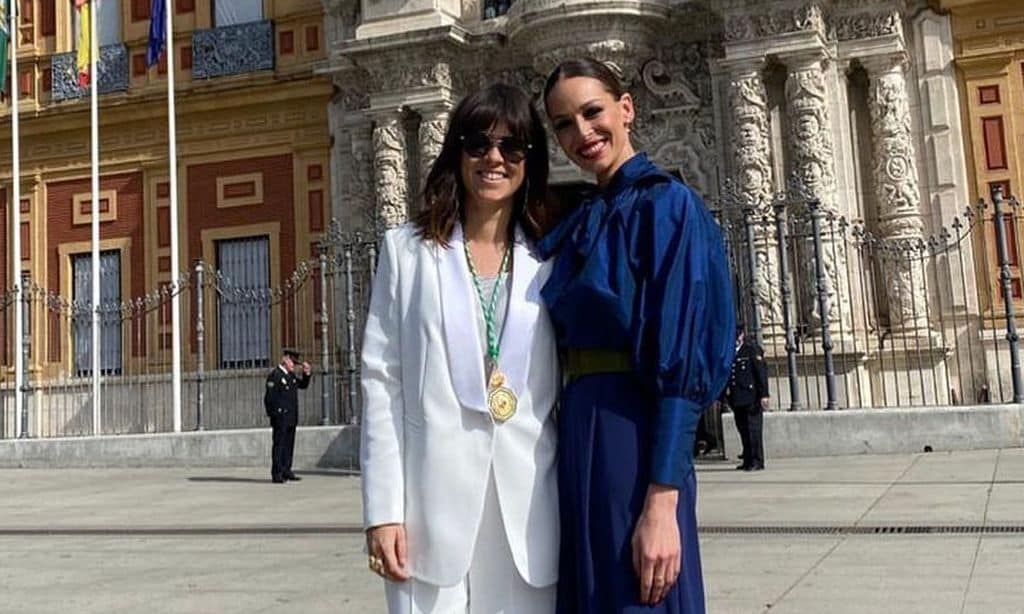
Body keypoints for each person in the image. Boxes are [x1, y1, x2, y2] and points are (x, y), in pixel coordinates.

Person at [539, 58, 736, 613]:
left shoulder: (666, 207)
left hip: (634, 431)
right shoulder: (580, 219)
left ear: (626, 109)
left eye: (592, 111)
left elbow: (682, 356)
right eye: (562, 123)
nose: (581, 133)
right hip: (578, 432)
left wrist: (662, 501)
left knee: (640, 592)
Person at [360, 82, 560, 613]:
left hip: (527, 508)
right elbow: (382, 383)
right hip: (429, 514)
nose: (494, 158)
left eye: (512, 147)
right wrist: (383, 509)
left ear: (528, 162)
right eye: (478, 143)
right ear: (457, 153)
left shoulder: (551, 258)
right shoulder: (407, 252)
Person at [724, 325, 769, 471]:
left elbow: (760, 373)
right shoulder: (730, 351)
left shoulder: (752, 349)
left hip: (751, 397)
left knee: (753, 430)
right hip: (737, 397)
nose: (735, 339)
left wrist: (764, 394)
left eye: (737, 336)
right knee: (743, 429)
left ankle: (757, 460)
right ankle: (748, 459)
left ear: (741, 335)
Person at [263, 347, 312, 483]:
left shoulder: (290, 376)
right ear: (285, 360)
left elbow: (302, 385)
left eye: (295, 364)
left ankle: (286, 469)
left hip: (291, 417)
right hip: (280, 417)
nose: (294, 366)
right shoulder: (276, 375)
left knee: (289, 445)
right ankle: (277, 472)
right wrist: (274, 414)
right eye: (292, 362)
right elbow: (269, 398)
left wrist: (307, 374)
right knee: (279, 445)